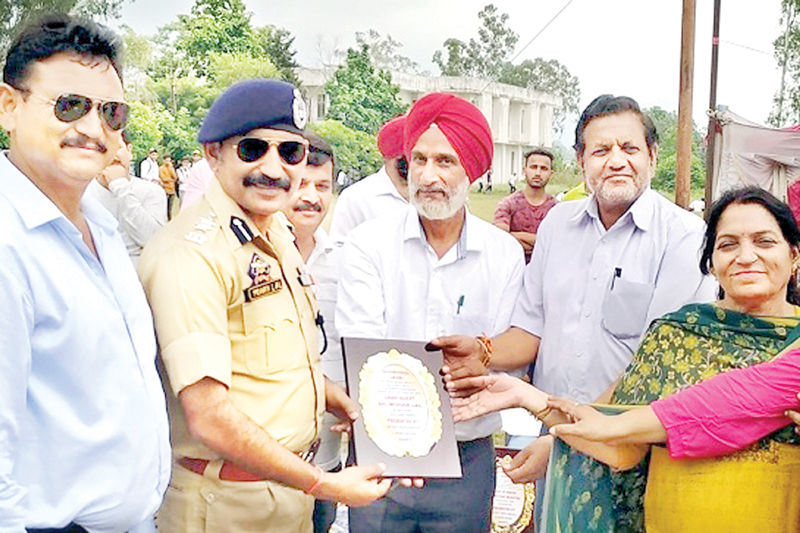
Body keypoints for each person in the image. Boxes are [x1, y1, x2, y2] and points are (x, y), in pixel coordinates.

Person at [453, 186, 800, 532]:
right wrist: (526, 397)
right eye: (728, 244)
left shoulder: (795, 346)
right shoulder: (675, 335)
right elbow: (618, 446)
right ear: (711, 263)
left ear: (794, 255)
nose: (746, 255)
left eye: (764, 242)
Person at [438, 95, 716, 522]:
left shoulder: (684, 236)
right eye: (601, 150)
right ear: (582, 160)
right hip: (556, 447)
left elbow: (657, 367)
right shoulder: (557, 226)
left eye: (630, 148)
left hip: (636, 454)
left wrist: (569, 437)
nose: (616, 161)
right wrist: (482, 352)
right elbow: (531, 330)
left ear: (652, 156)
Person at [138, 78, 390, 533]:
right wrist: (323, 485)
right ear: (214, 154)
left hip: (283, 495)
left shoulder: (274, 233)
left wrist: (338, 401)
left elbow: (276, 360)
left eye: (290, 153)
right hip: (226, 506)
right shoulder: (192, 254)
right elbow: (209, 417)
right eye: (253, 150)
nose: (273, 169)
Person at [0, 14, 170, 532]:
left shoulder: (99, 220)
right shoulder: (8, 243)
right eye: (70, 106)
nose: (94, 130)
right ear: (9, 106)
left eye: (111, 112)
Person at [338, 92, 525, 533]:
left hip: (466, 457)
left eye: (445, 161)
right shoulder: (369, 244)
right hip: (383, 451)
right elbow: (364, 348)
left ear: (472, 171)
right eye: (418, 159)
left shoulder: (502, 254)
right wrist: (403, 435)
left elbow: (503, 352)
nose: (428, 175)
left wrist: (482, 351)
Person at [280, 135, 343, 533]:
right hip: (265, 464)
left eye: (322, 186)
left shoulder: (347, 260)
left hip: (326, 460)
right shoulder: (247, 255)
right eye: (300, 184)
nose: (311, 198)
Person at [85, 131, 167, 266]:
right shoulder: (81, 194)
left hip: (140, 275)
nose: (111, 155)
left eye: (117, 148)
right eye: (102, 149)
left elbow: (153, 240)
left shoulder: (152, 192)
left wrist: (120, 187)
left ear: (129, 150)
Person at [328, 115, 409, 245]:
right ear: (392, 156)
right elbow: (338, 250)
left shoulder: (432, 196)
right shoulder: (357, 198)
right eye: (413, 156)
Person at [493, 148, 558, 263]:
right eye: (533, 167)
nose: (538, 173)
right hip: (511, 269)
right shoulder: (508, 204)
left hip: (546, 272)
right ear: (524, 171)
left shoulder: (557, 209)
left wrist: (514, 236)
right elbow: (499, 239)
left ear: (551, 174)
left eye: (543, 168)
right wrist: (541, 242)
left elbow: (559, 244)